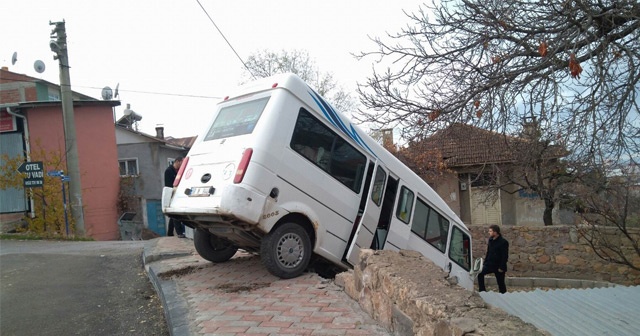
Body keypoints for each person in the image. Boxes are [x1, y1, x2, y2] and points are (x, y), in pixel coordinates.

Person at [477, 224, 509, 294]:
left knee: (501, 283)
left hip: (498, 266)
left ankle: (503, 296)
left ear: (495, 232)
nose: (489, 232)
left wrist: (502, 267)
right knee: (480, 274)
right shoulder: (490, 240)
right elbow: (488, 252)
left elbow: (505, 256)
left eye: (490, 231)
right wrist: (485, 263)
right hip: (490, 264)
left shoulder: (503, 242)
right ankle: (482, 291)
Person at [164, 157, 185, 238]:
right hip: (172, 194)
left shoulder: (179, 172)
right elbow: (168, 185)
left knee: (173, 215)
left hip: (178, 194)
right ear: (177, 162)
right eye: (181, 163)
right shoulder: (169, 171)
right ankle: (179, 232)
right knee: (175, 214)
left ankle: (170, 233)